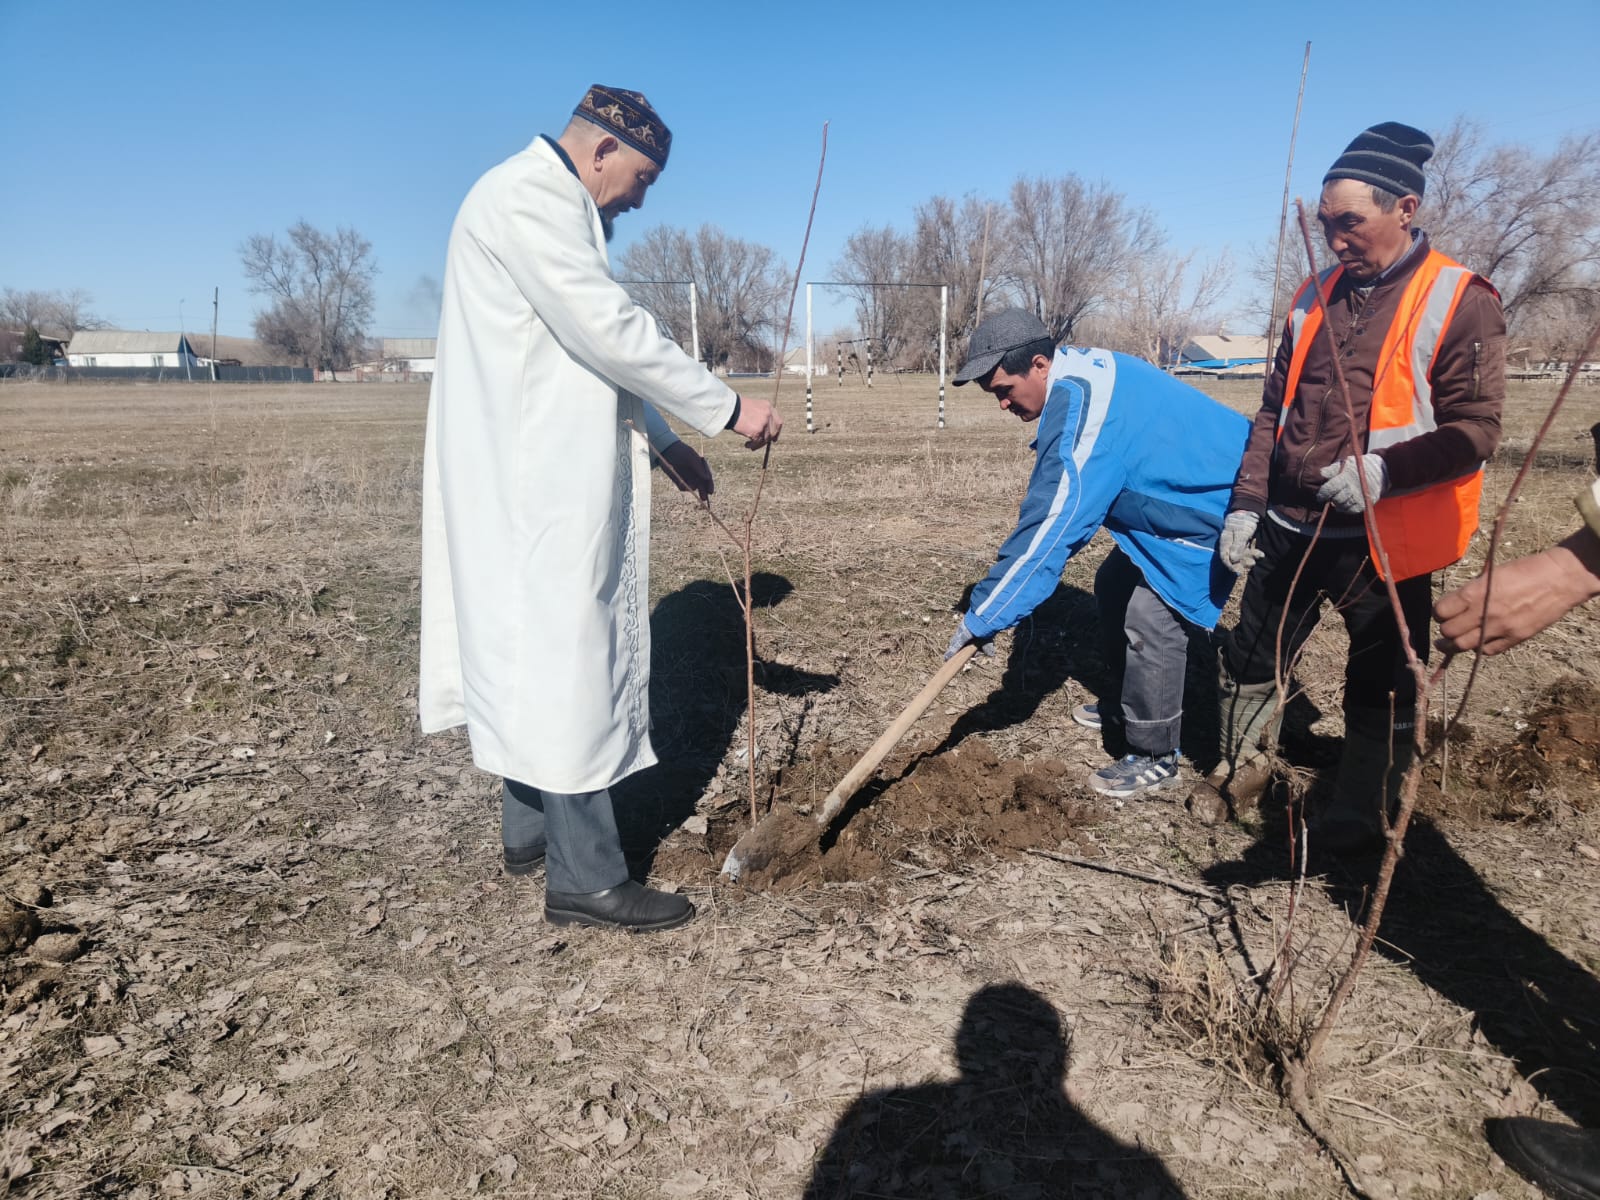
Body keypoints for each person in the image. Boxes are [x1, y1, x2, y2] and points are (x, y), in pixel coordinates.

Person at [417, 86, 781, 933]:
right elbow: (607, 329)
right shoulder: (529, 199)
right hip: (533, 477)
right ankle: (586, 878)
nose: (644, 196)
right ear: (602, 151)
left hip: (529, 465)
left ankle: (530, 831)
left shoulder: (534, 201)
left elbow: (578, 354)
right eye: (644, 176)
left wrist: (665, 444)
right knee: (566, 658)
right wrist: (724, 409)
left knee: (529, 648)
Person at [1215, 121, 1506, 853]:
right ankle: (1241, 772)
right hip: (1288, 523)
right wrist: (1248, 503)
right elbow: (1273, 410)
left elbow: (1477, 430)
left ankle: (1361, 810)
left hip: (1383, 536)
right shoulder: (1312, 294)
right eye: (1326, 225)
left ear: (1404, 207)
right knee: (1251, 655)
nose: (1337, 238)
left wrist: (1384, 472)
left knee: (1379, 677)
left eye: (1351, 222)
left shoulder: (1459, 297)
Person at [944, 309, 1250, 798]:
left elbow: (1051, 527)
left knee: (1151, 614)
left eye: (1004, 390)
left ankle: (1154, 752)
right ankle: (1130, 702)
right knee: (1113, 584)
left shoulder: (1083, 410)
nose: (1001, 405)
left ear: (1040, 364)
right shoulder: (1077, 374)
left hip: (1217, 503)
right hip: (1173, 499)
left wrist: (986, 614)